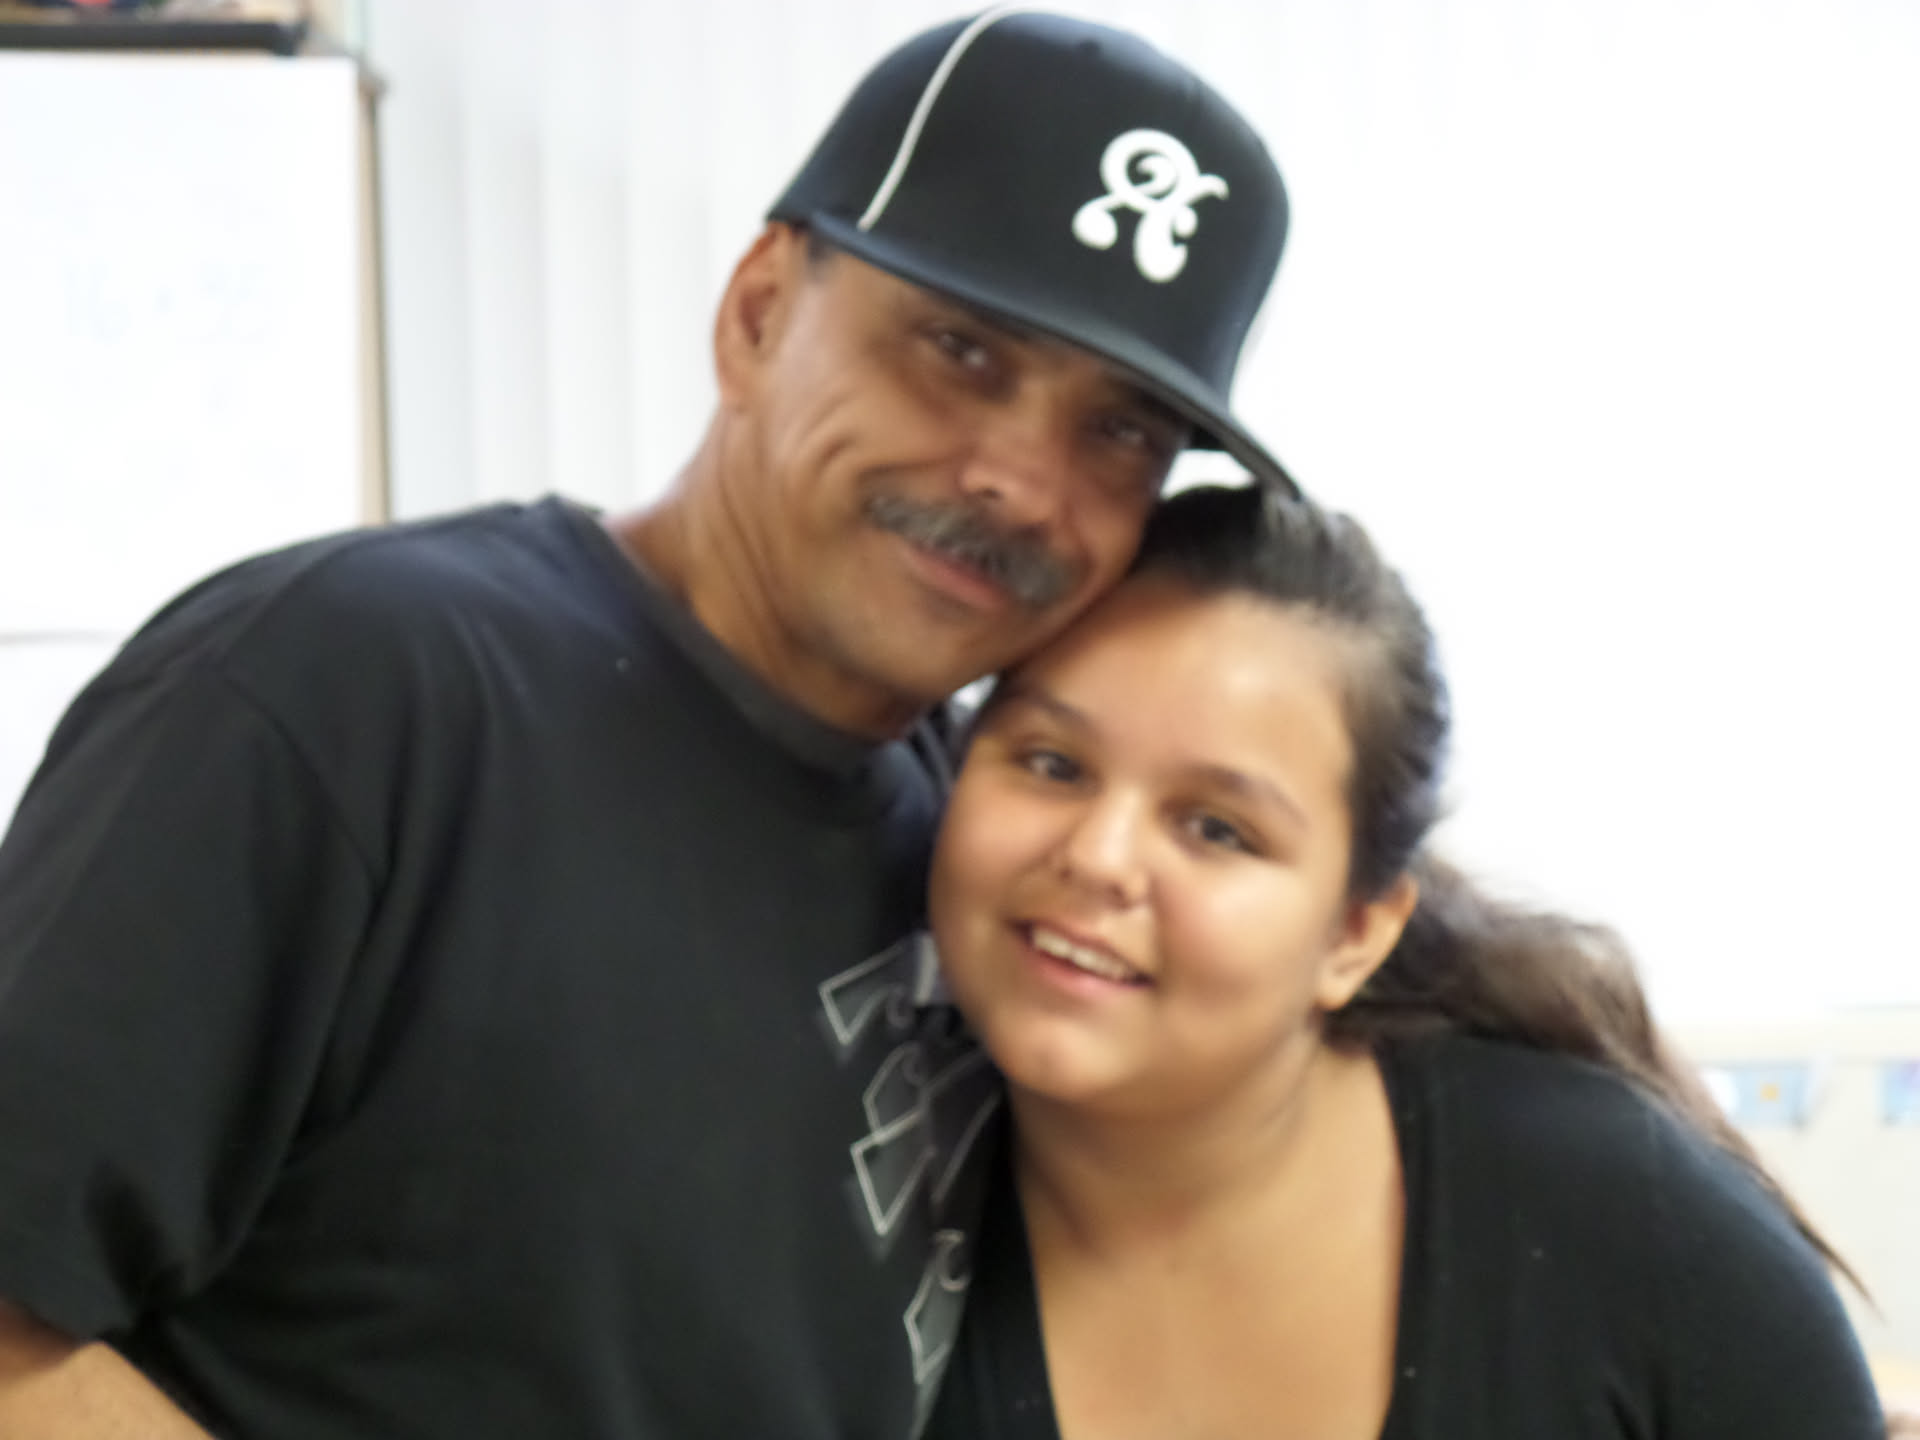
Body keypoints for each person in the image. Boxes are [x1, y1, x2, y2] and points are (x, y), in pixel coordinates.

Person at [0, 11, 1292, 1439]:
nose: (1023, 485)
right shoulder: (351, 687)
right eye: (959, 351)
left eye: (1120, 432)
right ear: (757, 312)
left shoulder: (987, 856)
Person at [923, 483, 1888, 1439]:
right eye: (1052, 764)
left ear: (1354, 934)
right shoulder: (870, 1229)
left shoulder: (1634, 1230)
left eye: (1216, 828)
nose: (1097, 856)